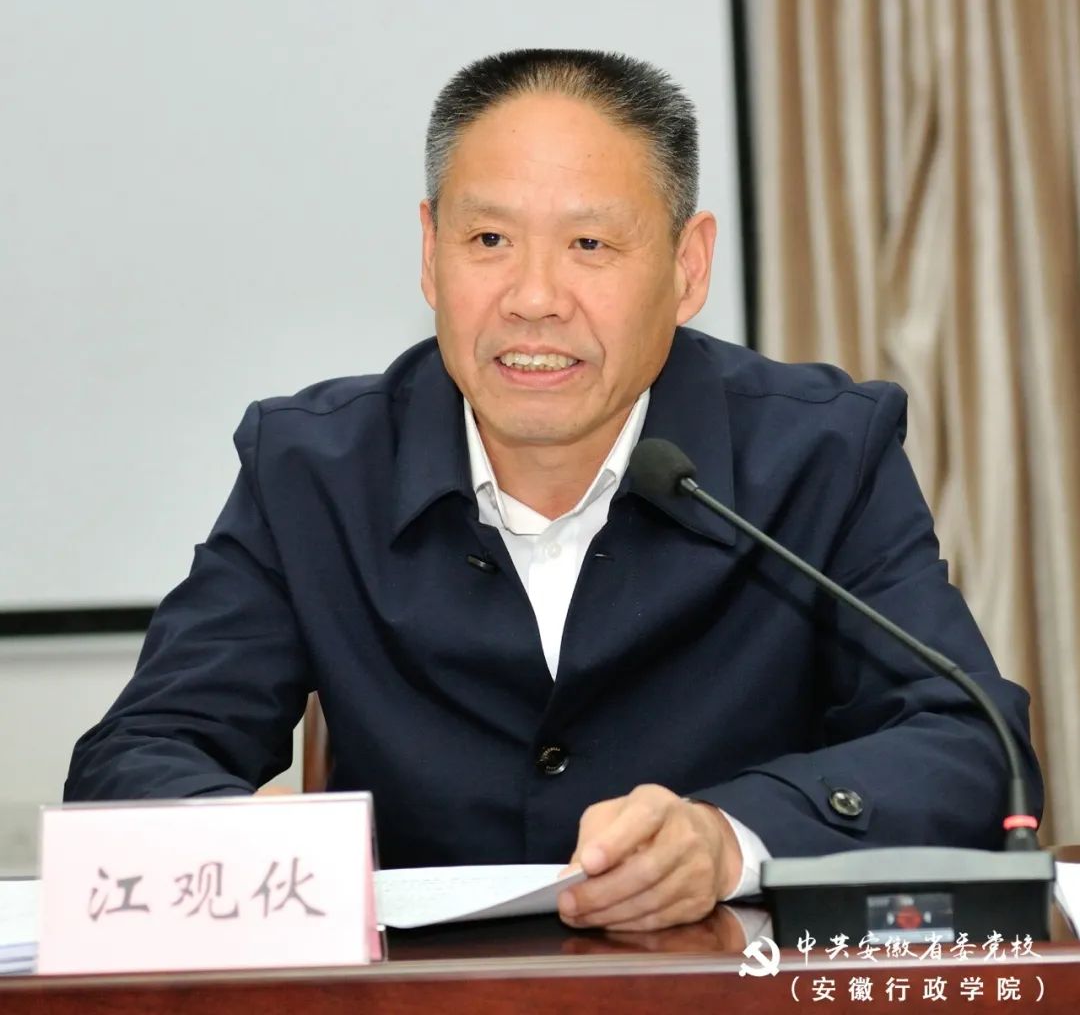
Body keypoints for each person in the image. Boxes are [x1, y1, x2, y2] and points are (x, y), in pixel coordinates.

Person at [65, 49, 1042, 933]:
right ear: (429, 252)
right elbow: (136, 754)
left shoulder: (819, 455)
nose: (533, 298)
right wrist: (239, 838)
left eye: (590, 246)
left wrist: (730, 838)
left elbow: (967, 745)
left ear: (688, 265)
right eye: (489, 239)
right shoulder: (313, 470)